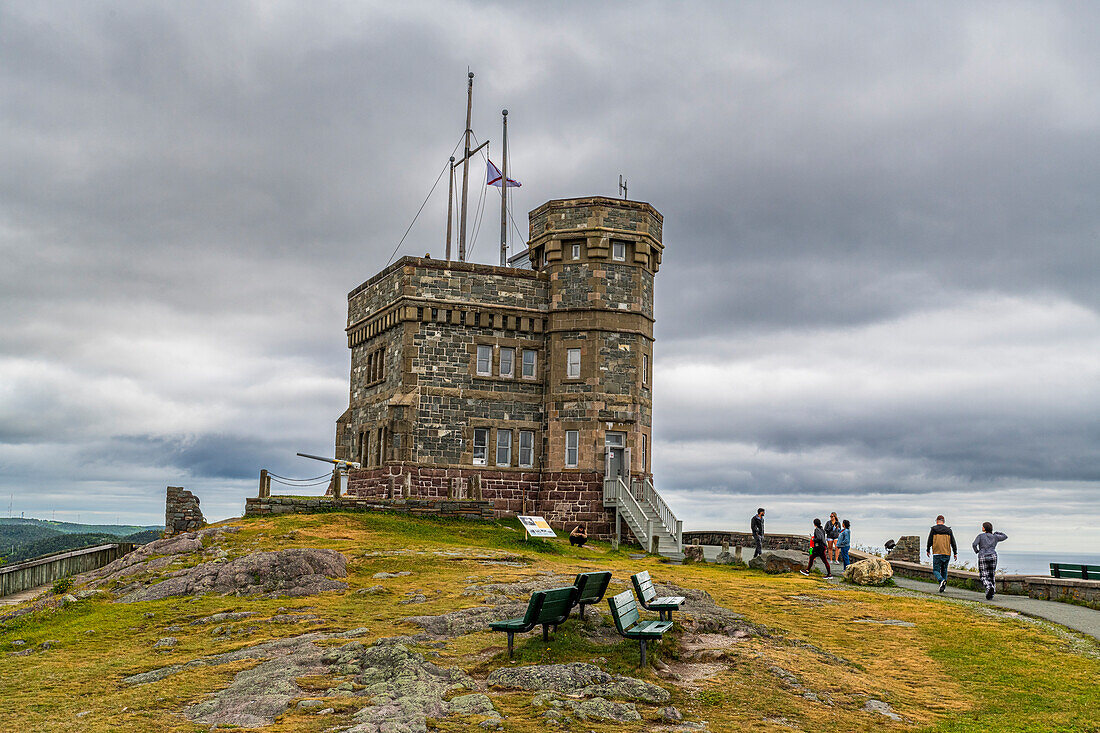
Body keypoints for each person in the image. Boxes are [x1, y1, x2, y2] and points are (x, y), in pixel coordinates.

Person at [972, 522, 1008, 600]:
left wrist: (977, 551)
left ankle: (989, 587)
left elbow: (974, 544)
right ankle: (991, 593)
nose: (982, 527)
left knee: (983, 575)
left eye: (983, 526)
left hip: (983, 556)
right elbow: (1005, 536)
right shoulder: (995, 537)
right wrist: (997, 532)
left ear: (984, 528)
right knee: (991, 575)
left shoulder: (980, 536)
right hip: (993, 556)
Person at [926, 514, 958, 593]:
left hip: (937, 552)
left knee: (936, 570)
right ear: (943, 522)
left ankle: (941, 580)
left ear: (937, 521)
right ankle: (943, 586)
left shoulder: (933, 529)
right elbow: (953, 542)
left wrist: (928, 549)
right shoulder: (949, 530)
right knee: (944, 570)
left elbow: (930, 540)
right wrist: (955, 552)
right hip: (947, 553)